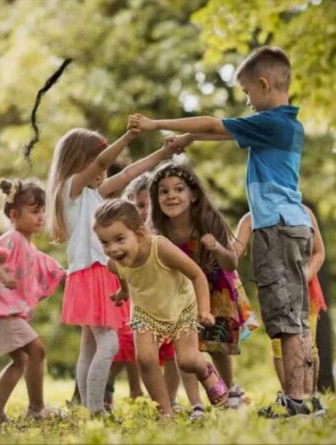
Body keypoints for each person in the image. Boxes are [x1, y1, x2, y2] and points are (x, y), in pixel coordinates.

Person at [128, 45, 314, 417]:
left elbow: (215, 124)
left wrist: (155, 124)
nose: (246, 101)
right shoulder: (286, 125)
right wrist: (191, 140)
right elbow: (220, 132)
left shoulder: (273, 121)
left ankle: (297, 402)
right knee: (294, 316)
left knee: (285, 320)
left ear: (264, 84)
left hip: (276, 228)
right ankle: (305, 398)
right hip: (290, 225)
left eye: (247, 93)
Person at [45, 128, 178, 415]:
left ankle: (87, 407)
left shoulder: (93, 193)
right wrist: (129, 136)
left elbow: (127, 173)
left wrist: (163, 154)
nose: (103, 172)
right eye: (95, 162)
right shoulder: (71, 188)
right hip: (91, 274)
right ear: (80, 160)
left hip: (97, 274)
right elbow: (104, 163)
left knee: (90, 347)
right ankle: (96, 410)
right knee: (109, 342)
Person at [93, 199, 228, 418]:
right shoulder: (114, 262)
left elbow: (197, 274)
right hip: (146, 312)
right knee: (145, 359)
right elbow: (122, 274)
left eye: (119, 239)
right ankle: (165, 411)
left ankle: (206, 371)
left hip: (180, 306)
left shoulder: (160, 247)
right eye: (105, 242)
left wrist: (204, 310)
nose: (112, 249)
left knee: (186, 360)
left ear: (140, 233)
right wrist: (124, 292)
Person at [146, 162, 258, 414]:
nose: (171, 195)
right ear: (156, 198)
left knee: (218, 346)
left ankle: (229, 392)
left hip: (216, 286)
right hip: (182, 292)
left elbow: (231, 262)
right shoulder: (157, 229)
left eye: (178, 189)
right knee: (185, 348)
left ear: (193, 194)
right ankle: (196, 402)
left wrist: (217, 247)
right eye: (163, 191)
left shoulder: (207, 219)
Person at [0, 179, 65, 423]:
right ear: (14, 214)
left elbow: (53, 269)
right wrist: (3, 275)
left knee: (21, 360)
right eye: (35, 211)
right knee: (37, 350)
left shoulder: (29, 248)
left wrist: (76, 274)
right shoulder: (12, 238)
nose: (41, 216)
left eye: (43, 210)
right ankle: (36, 409)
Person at [235, 205, 327, 415]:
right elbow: (234, 250)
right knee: (279, 346)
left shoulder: (304, 212)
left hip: (306, 292)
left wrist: (301, 279)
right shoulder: (251, 217)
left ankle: (310, 398)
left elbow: (319, 253)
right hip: (275, 294)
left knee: (307, 343)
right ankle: (291, 399)